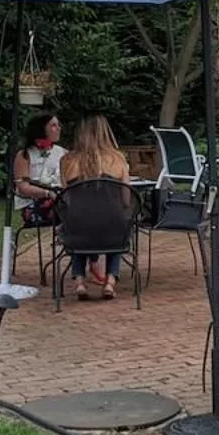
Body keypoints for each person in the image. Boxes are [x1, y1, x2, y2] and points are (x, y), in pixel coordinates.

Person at [60, 116, 131, 300]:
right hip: (112, 229)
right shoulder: (118, 158)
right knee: (117, 221)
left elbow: (66, 198)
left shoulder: (67, 160)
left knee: (78, 221)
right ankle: (110, 280)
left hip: (78, 228)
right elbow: (126, 199)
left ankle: (80, 281)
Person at [13, 112, 67, 229]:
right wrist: (47, 193)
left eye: (58, 125)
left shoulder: (62, 153)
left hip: (60, 200)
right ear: (41, 129)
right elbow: (23, 187)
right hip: (34, 204)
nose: (58, 128)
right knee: (69, 208)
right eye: (53, 125)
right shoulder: (25, 155)